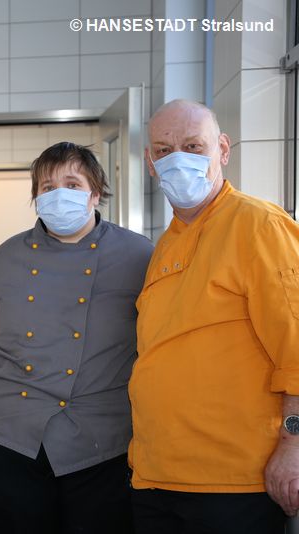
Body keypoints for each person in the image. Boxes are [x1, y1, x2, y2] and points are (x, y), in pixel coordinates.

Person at [129, 98, 299, 533]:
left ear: (222, 149)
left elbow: (295, 347)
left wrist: (294, 443)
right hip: (158, 472)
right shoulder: (166, 242)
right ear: (150, 163)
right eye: (164, 150)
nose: (177, 159)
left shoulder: (258, 224)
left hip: (232, 482)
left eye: (193, 146)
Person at [0, 141, 153, 534]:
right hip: (9, 434)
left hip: (102, 439)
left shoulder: (139, 256)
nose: (58, 195)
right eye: (47, 187)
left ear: (95, 193)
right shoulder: (2, 259)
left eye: (72, 184)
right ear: (36, 197)